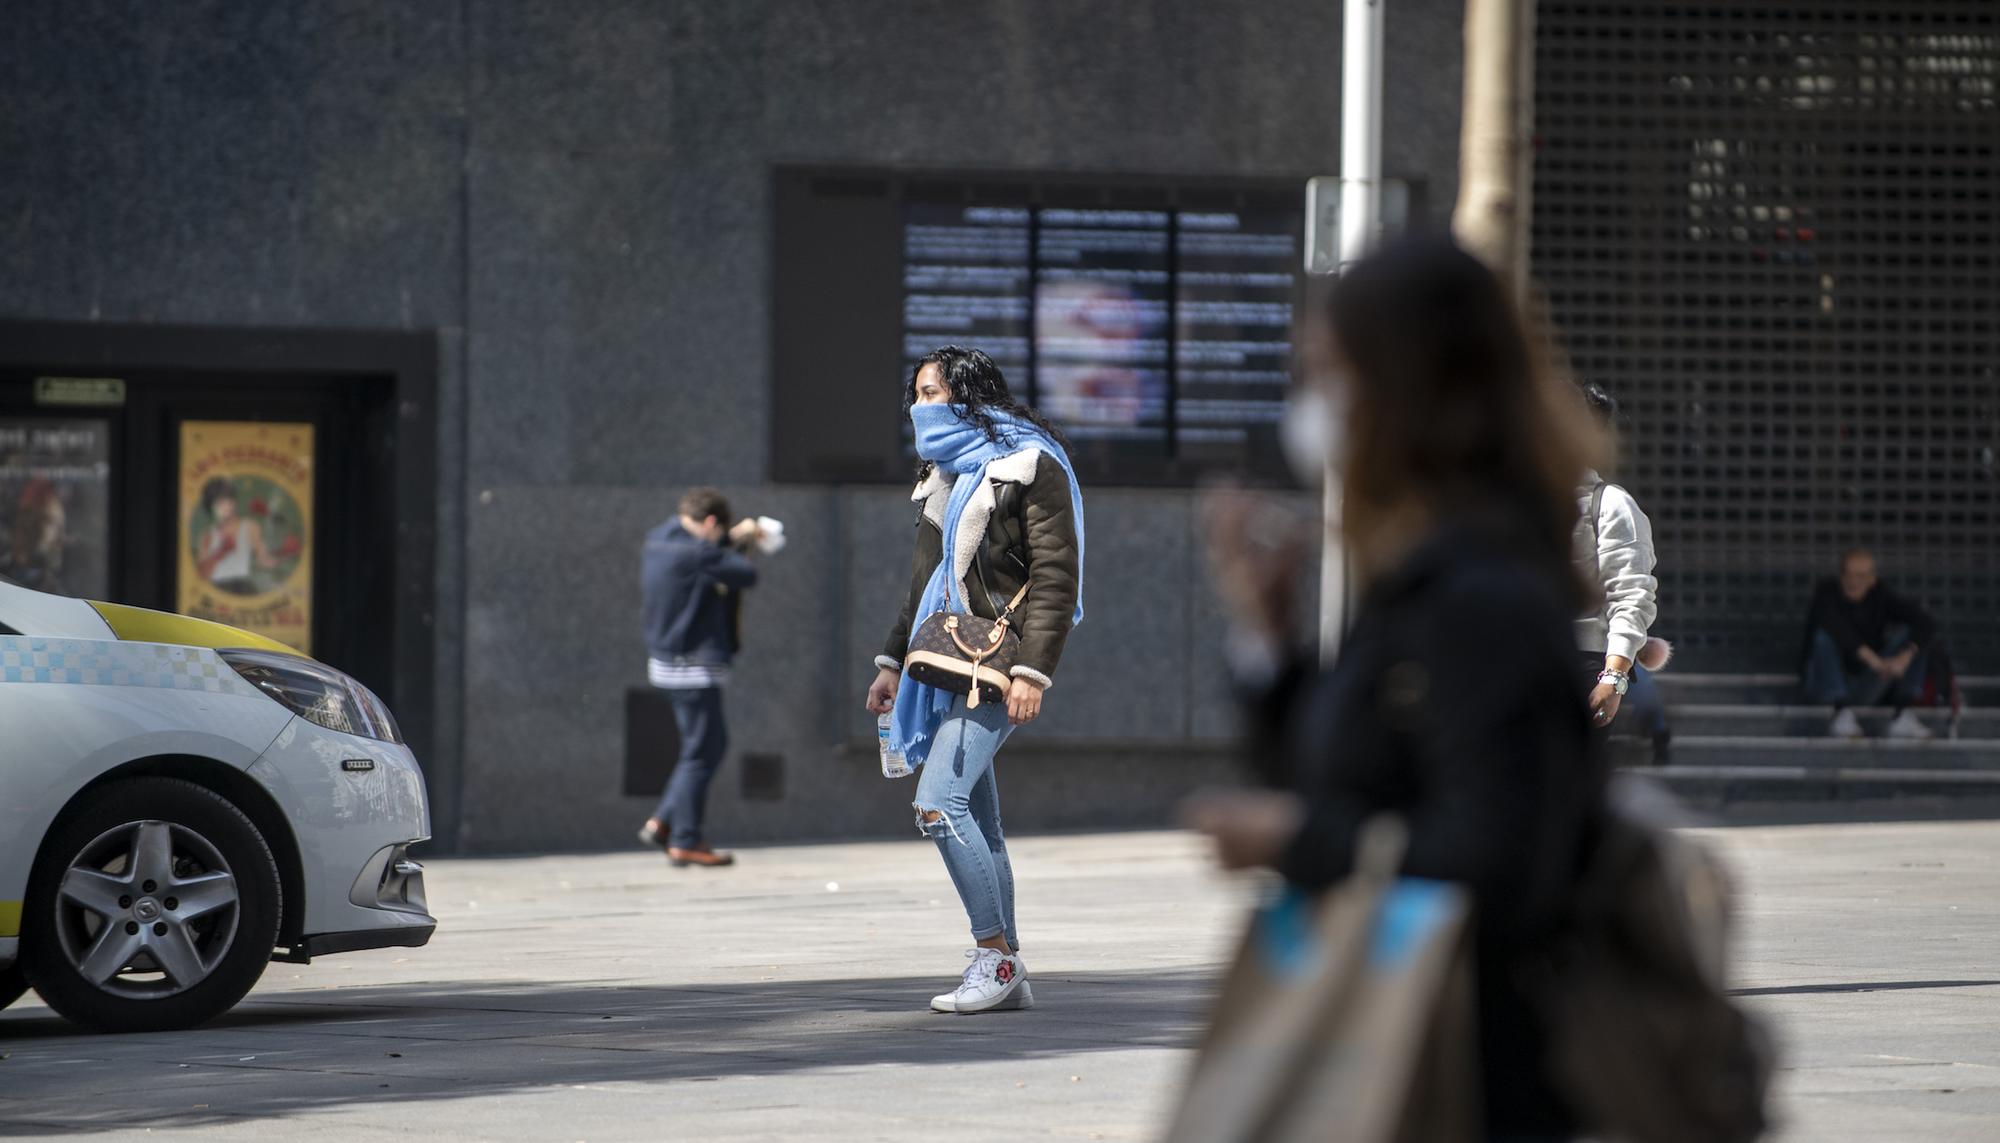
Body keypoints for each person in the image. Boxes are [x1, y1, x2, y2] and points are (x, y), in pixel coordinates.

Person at [1190, 237, 1603, 1140]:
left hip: (1468, 1076)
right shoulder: (1425, 571)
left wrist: (1296, 838)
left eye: (1329, 371)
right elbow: (1346, 773)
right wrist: (1270, 639)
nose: (1312, 404)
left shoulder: (1479, 591)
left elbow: (1498, 855)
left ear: (1403, 386)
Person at [865, 345, 1083, 1015]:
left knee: (938, 804)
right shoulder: (945, 474)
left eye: (935, 393)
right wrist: (891, 663)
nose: (922, 406)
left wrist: (1033, 671)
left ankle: (994, 953)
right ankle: (1006, 962)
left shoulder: (1028, 463)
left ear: (970, 396)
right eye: (918, 393)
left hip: (998, 662)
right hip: (945, 659)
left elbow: (1054, 575)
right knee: (980, 824)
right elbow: (922, 584)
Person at [638, 487, 767, 867]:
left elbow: (708, 555)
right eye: (719, 530)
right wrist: (740, 542)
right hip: (692, 668)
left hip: (664, 663)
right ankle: (683, 836)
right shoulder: (699, 552)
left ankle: (664, 823)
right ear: (711, 522)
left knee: (700, 749)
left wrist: (728, 538)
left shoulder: (660, 539)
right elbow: (746, 574)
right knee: (704, 751)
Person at [1573, 383, 1672, 755]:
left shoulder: (1610, 504)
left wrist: (1613, 678)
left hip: (1581, 666)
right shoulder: (1513, 503)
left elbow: (1630, 595)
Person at [1802, 548, 1937, 740]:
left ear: (1871, 579)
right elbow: (1837, 629)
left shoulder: (1880, 595)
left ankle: (1903, 713)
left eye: (1861, 575)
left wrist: (1904, 659)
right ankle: (1840, 712)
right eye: (1849, 574)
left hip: (1866, 681)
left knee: (1915, 636)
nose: (1854, 580)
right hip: (1824, 684)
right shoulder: (1826, 594)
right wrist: (1874, 661)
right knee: (1823, 637)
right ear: (1841, 576)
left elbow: (1924, 621)